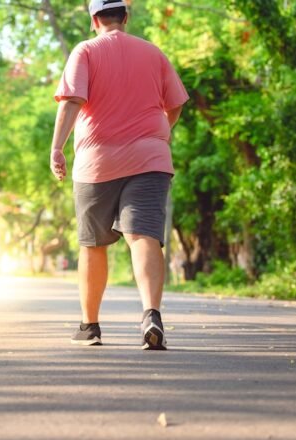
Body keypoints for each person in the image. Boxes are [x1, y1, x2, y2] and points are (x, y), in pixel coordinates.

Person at [50, 0, 188, 349]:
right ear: (126, 17)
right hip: (150, 159)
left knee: (93, 244)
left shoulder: (85, 51)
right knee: (142, 236)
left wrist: (57, 148)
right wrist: (160, 132)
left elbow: (71, 101)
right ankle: (151, 315)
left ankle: (90, 326)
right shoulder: (153, 53)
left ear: (94, 20)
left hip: (97, 162)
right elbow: (176, 102)